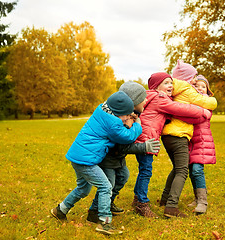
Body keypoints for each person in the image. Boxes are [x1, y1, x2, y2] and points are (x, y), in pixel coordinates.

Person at [50, 91, 142, 235]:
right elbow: (127, 136)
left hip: (78, 157)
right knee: (106, 187)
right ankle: (104, 223)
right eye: (126, 114)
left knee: (83, 189)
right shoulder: (113, 124)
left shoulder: (102, 109)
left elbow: (120, 122)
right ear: (118, 113)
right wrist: (137, 123)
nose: (127, 117)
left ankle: (60, 210)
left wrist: (127, 119)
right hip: (87, 161)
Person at [132, 72, 211, 218]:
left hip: (147, 137)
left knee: (149, 169)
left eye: (171, 83)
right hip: (150, 139)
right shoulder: (160, 98)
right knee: (176, 171)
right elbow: (181, 108)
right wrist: (203, 111)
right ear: (157, 86)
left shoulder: (152, 96)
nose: (171, 86)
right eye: (166, 83)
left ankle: (149, 199)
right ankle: (164, 206)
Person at [87, 82, 161, 223]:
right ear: (133, 102)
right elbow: (122, 146)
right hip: (108, 158)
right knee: (108, 184)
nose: (146, 100)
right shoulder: (122, 119)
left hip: (118, 159)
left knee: (123, 177)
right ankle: (94, 211)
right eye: (143, 98)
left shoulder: (133, 115)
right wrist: (144, 147)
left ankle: (109, 202)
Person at [160, 60, 217, 218]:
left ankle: (165, 199)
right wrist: (208, 106)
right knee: (183, 171)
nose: (195, 83)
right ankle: (172, 206)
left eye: (201, 85)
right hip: (180, 135)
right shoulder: (186, 89)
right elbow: (208, 103)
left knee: (178, 168)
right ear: (187, 77)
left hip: (169, 134)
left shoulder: (173, 89)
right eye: (193, 78)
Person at [187, 75, 216, 214]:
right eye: (197, 85)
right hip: (190, 140)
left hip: (202, 140)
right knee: (192, 171)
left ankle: (203, 202)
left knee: (197, 170)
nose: (200, 88)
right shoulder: (190, 101)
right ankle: (197, 198)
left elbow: (197, 115)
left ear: (207, 90)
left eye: (203, 86)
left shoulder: (207, 102)